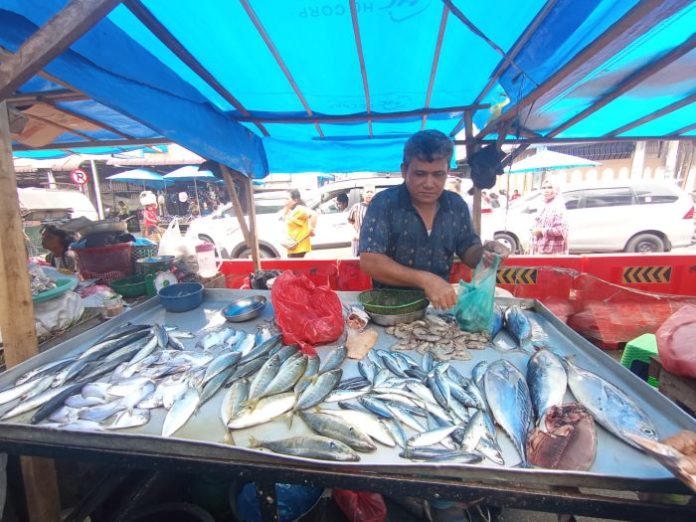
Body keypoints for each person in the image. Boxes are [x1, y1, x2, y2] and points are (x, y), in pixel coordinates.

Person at [359, 129, 509, 310]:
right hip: (390, 310)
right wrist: (426, 280)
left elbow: (469, 249)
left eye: (438, 174)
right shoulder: (384, 203)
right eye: (420, 174)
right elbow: (370, 261)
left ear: (448, 171)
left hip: (439, 308)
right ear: (404, 170)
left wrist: (486, 254)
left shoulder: (455, 205)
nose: (429, 184)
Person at [530, 180, 568, 255]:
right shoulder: (542, 204)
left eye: (550, 187)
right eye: (544, 188)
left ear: (556, 189)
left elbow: (561, 230)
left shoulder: (558, 206)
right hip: (540, 249)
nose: (546, 190)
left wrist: (541, 231)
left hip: (554, 251)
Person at [283, 189, 317, 258]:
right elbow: (285, 219)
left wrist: (311, 229)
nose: (285, 201)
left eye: (287, 199)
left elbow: (314, 215)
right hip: (292, 246)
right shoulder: (290, 210)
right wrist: (287, 207)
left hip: (299, 247)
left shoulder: (300, 209)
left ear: (295, 200)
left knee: (294, 267)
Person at [347, 184, 375, 257]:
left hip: (374, 243)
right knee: (358, 264)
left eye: (371, 192)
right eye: (367, 192)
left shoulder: (379, 207)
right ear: (362, 194)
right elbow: (349, 222)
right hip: (359, 241)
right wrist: (354, 233)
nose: (369, 194)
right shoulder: (356, 207)